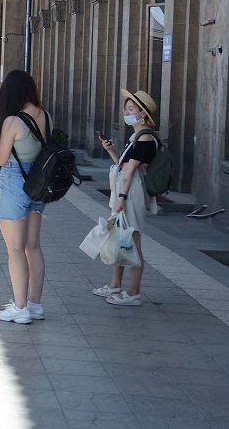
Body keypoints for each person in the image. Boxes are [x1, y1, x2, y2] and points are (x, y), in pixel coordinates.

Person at [0, 69, 49, 324]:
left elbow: (0, 159)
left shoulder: (12, 121)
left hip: (15, 181)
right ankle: (35, 304)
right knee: (33, 246)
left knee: (15, 248)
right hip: (39, 182)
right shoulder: (45, 115)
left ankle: (20, 308)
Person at [94, 89, 159, 306]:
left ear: (143, 114)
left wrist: (121, 198)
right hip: (125, 189)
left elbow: (131, 171)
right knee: (120, 238)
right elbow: (123, 166)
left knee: (133, 240)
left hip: (132, 192)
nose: (127, 113)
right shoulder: (136, 137)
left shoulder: (146, 138)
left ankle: (133, 292)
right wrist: (111, 150)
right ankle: (115, 285)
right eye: (126, 109)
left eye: (131, 109)